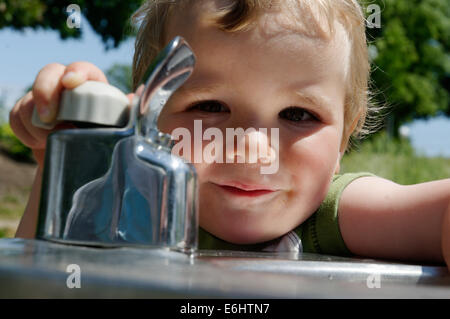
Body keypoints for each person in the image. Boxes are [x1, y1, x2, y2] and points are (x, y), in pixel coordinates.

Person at [9, 0, 450, 269]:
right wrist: (65, 164)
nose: (253, 152)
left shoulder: (337, 214)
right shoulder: (133, 206)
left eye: (298, 114)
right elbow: (37, 277)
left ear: (343, 142)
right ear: (148, 116)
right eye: (210, 106)